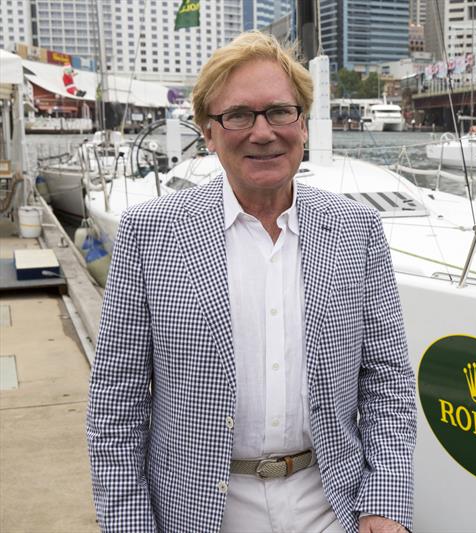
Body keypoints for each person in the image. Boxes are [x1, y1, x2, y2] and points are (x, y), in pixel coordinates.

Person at [86, 31, 416, 533]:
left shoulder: (358, 230)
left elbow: (387, 380)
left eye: (280, 112)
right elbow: (116, 405)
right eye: (238, 115)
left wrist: (385, 501)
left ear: (302, 123)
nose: (263, 132)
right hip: (199, 514)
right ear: (208, 131)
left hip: (333, 509)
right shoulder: (149, 233)